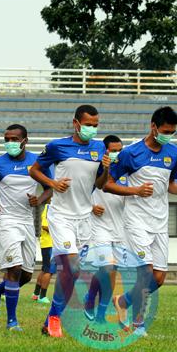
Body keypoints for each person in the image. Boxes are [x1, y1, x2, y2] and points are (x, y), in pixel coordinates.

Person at [29, 104, 109, 338]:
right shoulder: (57, 146)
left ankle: (50, 318)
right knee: (71, 267)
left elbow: (101, 184)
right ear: (76, 123)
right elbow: (34, 170)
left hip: (85, 218)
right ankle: (55, 319)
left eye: (95, 125)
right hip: (61, 215)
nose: (92, 129)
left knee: (72, 273)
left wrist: (106, 168)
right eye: (88, 125)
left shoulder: (99, 148)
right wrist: (53, 184)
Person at [106, 107, 177, 336]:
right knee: (145, 273)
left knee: (158, 277)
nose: (169, 135)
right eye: (166, 131)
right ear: (153, 126)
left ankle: (123, 301)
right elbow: (108, 183)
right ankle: (138, 324)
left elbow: (171, 185)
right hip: (136, 220)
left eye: (173, 132)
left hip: (160, 220)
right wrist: (135, 189)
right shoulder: (131, 153)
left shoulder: (173, 153)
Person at [0, 124, 52, 331]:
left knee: (26, 275)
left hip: (27, 221)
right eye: (7, 139)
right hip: (6, 220)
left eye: (14, 139)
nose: (10, 143)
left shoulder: (37, 163)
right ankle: (12, 322)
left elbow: (49, 189)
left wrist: (39, 200)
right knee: (14, 269)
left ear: (25, 140)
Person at [81, 135, 126, 323]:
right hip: (99, 227)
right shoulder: (95, 170)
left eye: (119, 150)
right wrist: (91, 206)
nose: (116, 154)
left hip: (121, 229)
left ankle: (100, 314)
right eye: (112, 150)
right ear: (104, 151)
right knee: (106, 268)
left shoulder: (126, 170)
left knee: (112, 274)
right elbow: (79, 193)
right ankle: (90, 299)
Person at [32, 203, 53, 304]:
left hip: (48, 243)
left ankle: (36, 294)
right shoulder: (49, 207)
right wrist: (60, 231)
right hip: (49, 243)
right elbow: (45, 225)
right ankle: (42, 296)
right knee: (49, 271)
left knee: (45, 269)